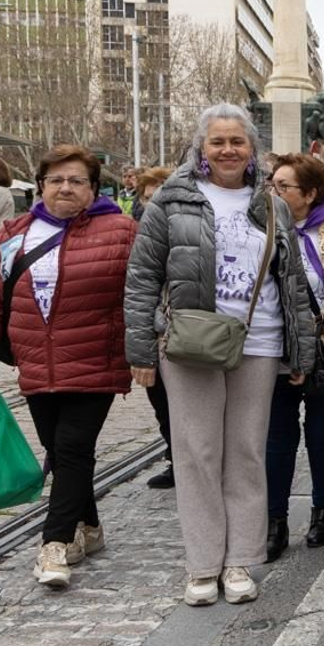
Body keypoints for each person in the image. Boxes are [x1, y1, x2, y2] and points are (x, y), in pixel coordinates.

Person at [125, 103, 315, 608]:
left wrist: (300, 350)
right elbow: (143, 277)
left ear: (252, 149)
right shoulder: (172, 200)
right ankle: (203, 564)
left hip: (259, 342)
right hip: (191, 342)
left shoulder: (271, 206)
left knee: (247, 455)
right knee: (197, 454)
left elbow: (290, 280)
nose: (228, 150)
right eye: (218, 141)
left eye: (237, 141)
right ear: (201, 147)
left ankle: (240, 562)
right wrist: (141, 350)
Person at [0, 146, 136, 588]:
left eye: (77, 180)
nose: (66, 188)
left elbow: (143, 295)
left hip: (95, 361)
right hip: (36, 364)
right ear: (39, 186)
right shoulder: (14, 234)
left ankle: (53, 546)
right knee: (60, 452)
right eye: (56, 179)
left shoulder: (121, 231)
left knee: (73, 449)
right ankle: (91, 529)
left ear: (94, 188)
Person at [264, 152, 324, 559]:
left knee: (321, 434)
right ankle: (275, 519)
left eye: (284, 186)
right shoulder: (261, 226)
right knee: (277, 437)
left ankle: (323, 511)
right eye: (273, 185)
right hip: (277, 347)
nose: (275, 192)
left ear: (310, 193)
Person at [131, 166, 176, 490]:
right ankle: (176, 458)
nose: (152, 203)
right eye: (147, 198)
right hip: (154, 333)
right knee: (161, 403)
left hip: (184, 334)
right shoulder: (136, 234)